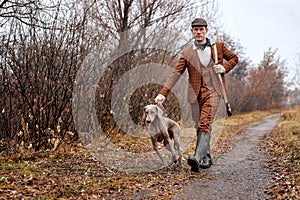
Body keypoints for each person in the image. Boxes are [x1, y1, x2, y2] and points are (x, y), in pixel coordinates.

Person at [154, 18, 238, 172]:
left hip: (214, 91)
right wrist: (163, 93)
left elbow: (234, 58)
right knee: (199, 125)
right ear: (192, 31)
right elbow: (176, 73)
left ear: (206, 30)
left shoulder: (218, 47)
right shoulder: (187, 53)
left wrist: (224, 67)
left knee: (204, 122)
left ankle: (196, 157)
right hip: (195, 95)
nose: (199, 32)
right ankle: (206, 156)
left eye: (201, 29)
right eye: (196, 29)